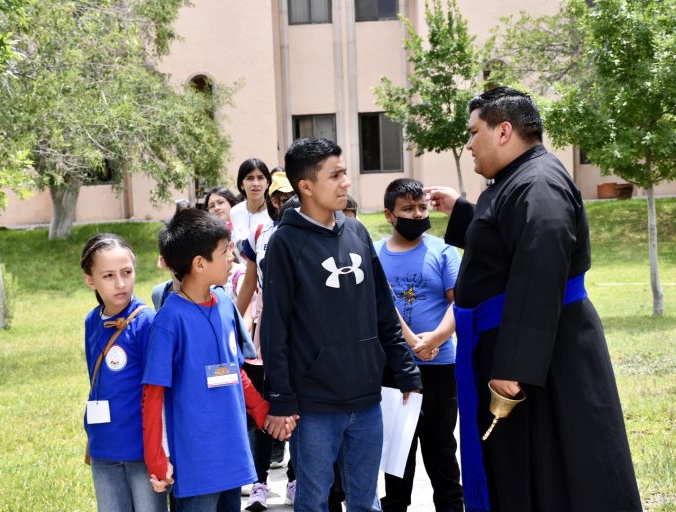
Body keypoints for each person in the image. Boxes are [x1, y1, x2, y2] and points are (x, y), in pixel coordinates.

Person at [426, 87, 641, 512]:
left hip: (544, 357)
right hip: (522, 343)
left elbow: (540, 267)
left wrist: (513, 365)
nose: (469, 144)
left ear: (503, 131)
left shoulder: (539, 182)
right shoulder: (521, 179)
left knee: (553, 465)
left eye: (474, 132)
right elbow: (509, 242)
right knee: (526, 466)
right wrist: (466, 214)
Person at [260, 137, 422, 511]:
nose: (346, 182)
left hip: (367, 399)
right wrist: (281, 398)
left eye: (345, 172)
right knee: (315, 502)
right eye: (336, 175)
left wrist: (404, 368)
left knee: (366, 502)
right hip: (315, 405)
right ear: (306, 186)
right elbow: (275, 328)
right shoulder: (285, 243)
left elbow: (383, 308)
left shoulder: (357, 232)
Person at [141, 208, 287, 512]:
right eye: (225, 250)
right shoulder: (169, 320)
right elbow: (152, 393)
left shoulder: (223, 303)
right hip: (196, 462)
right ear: (199, 264)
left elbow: (233, 369)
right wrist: (157, 458)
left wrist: (261, 410)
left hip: (231, 452)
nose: (232, 257)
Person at [375, 178, 464, 512]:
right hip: (393, 369)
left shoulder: (443, 252)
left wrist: (437, 338)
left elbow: (459, 302)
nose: (416, 215)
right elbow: (379, 306)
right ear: (389, 214)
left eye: (421, 207)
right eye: (407, 209)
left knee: (441, 450)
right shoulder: (376, 254)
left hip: (440, 366)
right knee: (398, 455)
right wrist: (412, 343)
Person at [79, 233, 168, 512]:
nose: (120, 283)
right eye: (108, 276)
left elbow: (158, 391)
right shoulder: (92, 321)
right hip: (104, 449)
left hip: (142, 452)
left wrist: (161, 453)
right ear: (90, 279)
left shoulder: (146, 322)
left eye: (126, 272)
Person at [235, 173, 297, 511]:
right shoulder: (260, 233)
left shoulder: (309, 233)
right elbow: (247, 284)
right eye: (279, 197)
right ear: (272, 201)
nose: (284, 202)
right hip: (264, 336)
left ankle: (294, 477)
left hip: (300, 339)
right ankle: (259, 483)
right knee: (261, 411)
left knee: (298, 412)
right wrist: (230, 326)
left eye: (289, 195)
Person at [230, 158, 273, 250]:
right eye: (249, 178)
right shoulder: (235, 212)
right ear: (241, 184)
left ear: (268, 183)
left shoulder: (275, 213)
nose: (256, 183)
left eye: (260, 178)